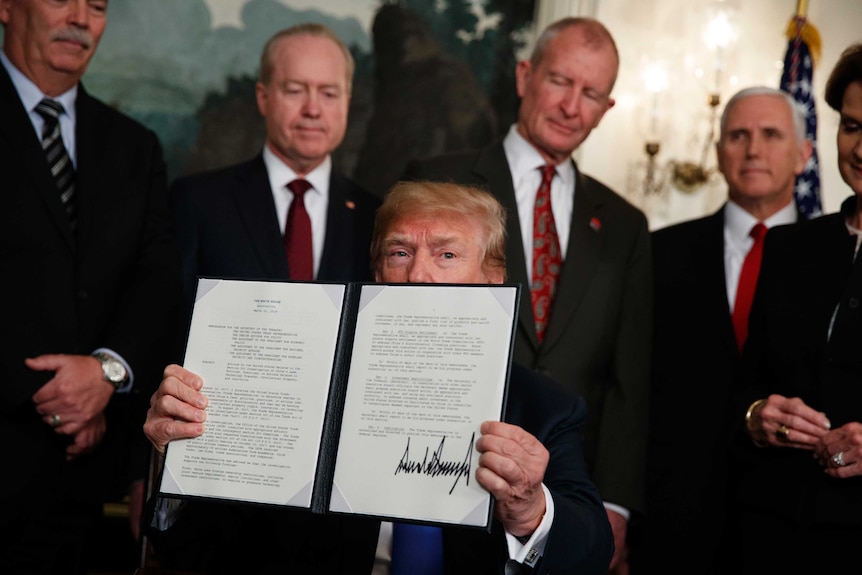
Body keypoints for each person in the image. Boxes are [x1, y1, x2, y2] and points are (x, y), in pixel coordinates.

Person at [144, 181, 615, 574]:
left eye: (447, 254)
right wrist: (179, 461)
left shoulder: (545, 407)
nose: (418, 275)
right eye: (399, 252)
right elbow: (200, 550)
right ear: (376, 274)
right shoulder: (309, 386)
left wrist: (531, 512)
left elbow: (593, 554)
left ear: (494, 279)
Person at [404, 17, 651, 569]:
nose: (571, 106)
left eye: (591, 93)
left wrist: (612, 503)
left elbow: (628, 379)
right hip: (439, 467)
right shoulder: (440, 179)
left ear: (607, 109)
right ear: (524, 76)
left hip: (562, 491)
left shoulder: (626, 224)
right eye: (560, 81)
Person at [146, 23, 382, 571]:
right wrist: (150, 473)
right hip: (217, 507)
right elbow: (164, 332)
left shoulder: (377, 219)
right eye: (295, 89)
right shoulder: (199, 201)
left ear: (348, 102)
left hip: (334, 521)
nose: (312, 109)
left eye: (329, 93)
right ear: (263, 96)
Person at [0, 0, 182, 574]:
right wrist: (59, 394)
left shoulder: (135, 146)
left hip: (85, 490)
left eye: (98, 6)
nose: (80, 17)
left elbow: (155, 282)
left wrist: (105, 374)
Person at [636, 87, 812, 574]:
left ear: (803, 155)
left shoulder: (837, 260)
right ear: (717, 154)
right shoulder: (658, 254)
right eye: (738, 135)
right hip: (672, 525)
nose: (753, 149)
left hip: (794, 527)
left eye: (770, 135)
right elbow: (631, 393)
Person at [723, 44, 862, 573]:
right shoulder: (789, 248)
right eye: (851, 126)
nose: (861, 147)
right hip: (764, 534)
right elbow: (746, 388)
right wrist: (758, 416)